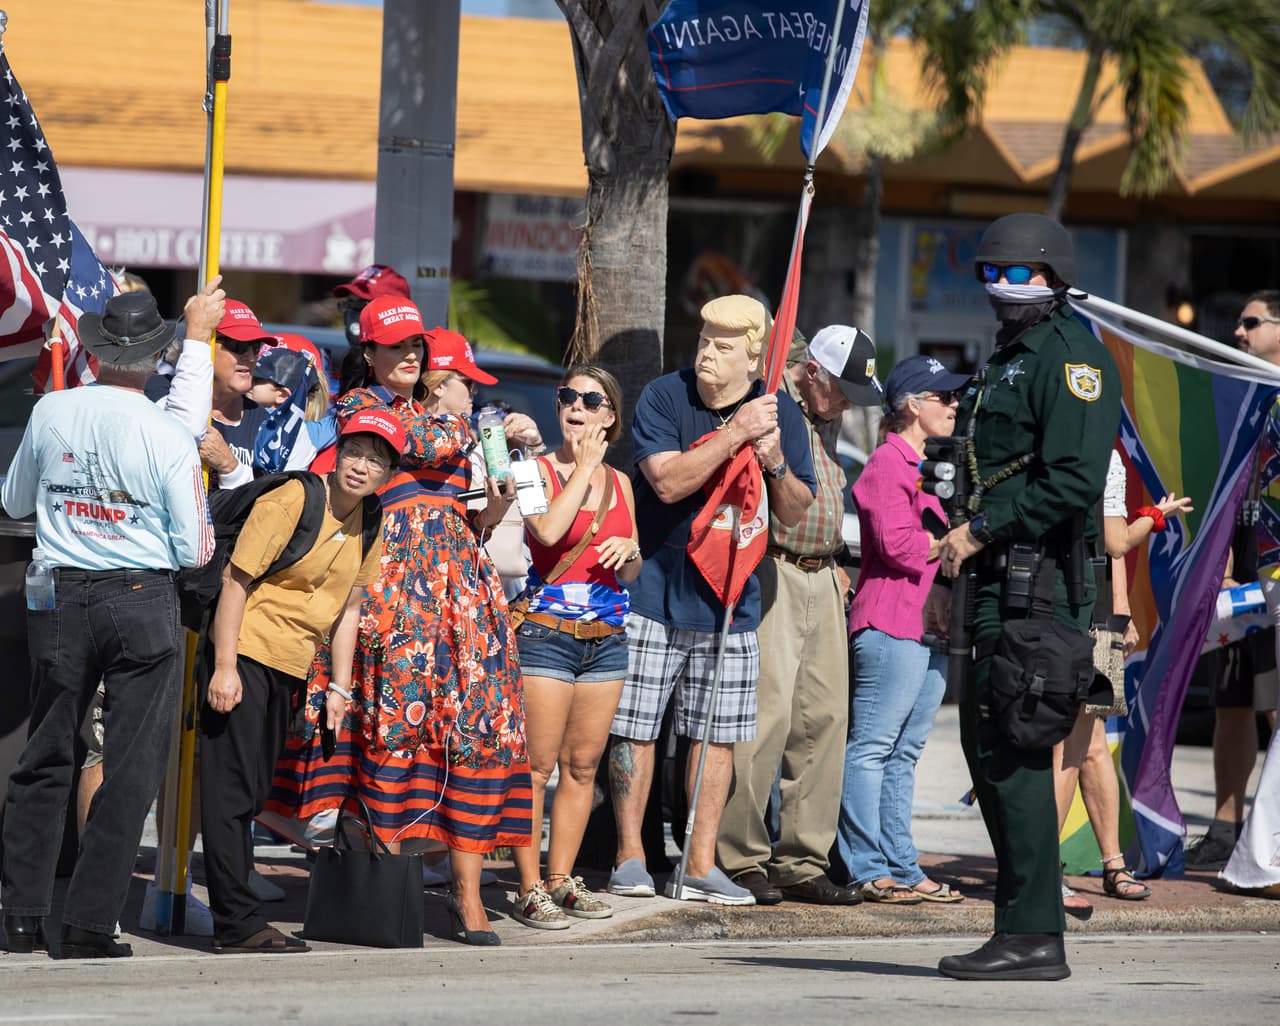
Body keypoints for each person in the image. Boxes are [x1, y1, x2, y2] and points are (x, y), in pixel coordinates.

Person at [264, 297, 531, 946]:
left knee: (475, 724)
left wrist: (499, 483)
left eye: (418, 345)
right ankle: (381, 884)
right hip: (391, 584)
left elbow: (473, 504)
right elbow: (407, 442)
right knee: (390, 727)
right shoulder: (361, 409)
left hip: (461, 582)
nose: (411, 355)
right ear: (371, 355)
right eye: (397, 346)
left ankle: (468, 897)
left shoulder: (444, 414)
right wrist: (472, 422)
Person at [0, 291, 214, 959]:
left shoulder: (54, 409)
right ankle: (91, 921)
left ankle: (21, 915)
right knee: (129, 767)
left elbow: (12, 498)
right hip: (140, 594)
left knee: (45, 758)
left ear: (94, 350)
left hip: (61, 591)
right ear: (155, 358)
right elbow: (193, 548)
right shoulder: (167, 433)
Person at [935, 213, 1120, 981]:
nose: (1000, 287)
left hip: (1040, 581)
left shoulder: (1074, 356)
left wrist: (977, 533)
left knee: (1015, 750)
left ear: (1053, 277)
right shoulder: (1009, 357)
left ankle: (1035, 934)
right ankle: (1021, 926)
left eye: (1016, 273)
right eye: (989, 273)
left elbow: (1073, 479)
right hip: (991, 581)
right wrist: (957, 571)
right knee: (988, 754)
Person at [606, 294, 816, 906]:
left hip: (731, 594)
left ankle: (698, 866)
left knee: (716, 735)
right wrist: (737, 434)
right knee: (636, 728)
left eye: (723, 347)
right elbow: (668, 480)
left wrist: (774, 457)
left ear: (754, 357)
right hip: (653, 588)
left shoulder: (780, 414)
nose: (706, 354)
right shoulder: (665, 396)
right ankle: (629, 857)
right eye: (703, 340)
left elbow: (797, 513)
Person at [198, 411, 395, 954]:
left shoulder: (370, 519)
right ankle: (236, 924)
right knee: (231, 794)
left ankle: (236, 916)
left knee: (257, 789)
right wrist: (224, 666)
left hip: (291, 663)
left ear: (388, 473)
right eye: (354, 451)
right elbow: (236, 582)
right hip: (245, 651)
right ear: (337, 454)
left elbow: (350, 607)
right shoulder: (292, 500)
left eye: (376, 459)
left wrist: (339, 686)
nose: (361, 466)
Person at [715, 326, 880, 907]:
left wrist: (836, 558)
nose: (845, 404)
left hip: (821, 571)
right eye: (840, 391)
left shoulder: (823, 415)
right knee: (765, 718)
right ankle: (740, 857)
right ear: (812, 372)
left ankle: (803, 859)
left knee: (825, 718)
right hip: (776, 567)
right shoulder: (771, 406)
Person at [836, 355, 975, 906]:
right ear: (912, 405)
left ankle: (901, 863)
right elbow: (896, 545)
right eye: (944, 397)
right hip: (891, 621)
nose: (955, 404)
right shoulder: (886, 464)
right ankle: (868, 866)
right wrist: (955, 543)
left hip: (924, 629)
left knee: (904, 752)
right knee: (871, 748)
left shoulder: (928, 467)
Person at [508, 366, 641, 930]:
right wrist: (583, 467)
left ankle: (561, 880)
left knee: (583, 767)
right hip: (545, 634)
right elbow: (546, 533)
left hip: (606, 636)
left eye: (591, 400)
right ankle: (528, 886)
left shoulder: (621, 482)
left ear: (609, 416)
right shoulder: (534, 470)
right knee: (536, 768)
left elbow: (630, 572)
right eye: (568, 397)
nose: (576, 407)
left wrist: (628, 547)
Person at [1053, 450, 1193, 917]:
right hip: (1061, 608)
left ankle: (1113, 863)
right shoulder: (1068, 443)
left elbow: (1109, 554)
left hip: (1095, 614)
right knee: (1069, 747)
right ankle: (1045, 872)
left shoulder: (1107, 456)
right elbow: (1116, 541)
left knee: (1092, 745)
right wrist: (1155, 516)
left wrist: (1119, 614)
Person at [1186, 290, 1280, 869]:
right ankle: (1227, 827)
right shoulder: (1239, 396)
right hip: (1240, 575)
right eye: (1238, 323)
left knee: (1275, 704)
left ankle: (1264, 841)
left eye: (1251, 322)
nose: (1238, 332)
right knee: (1232, 701)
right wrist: (1218, 564)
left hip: (1276, 572)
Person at [193, 301, 317, 489]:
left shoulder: (285, 433)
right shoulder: (167, 403)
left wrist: (230, 467)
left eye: (255, 346)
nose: (251, 357)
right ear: (203, 343)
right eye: (238, 345)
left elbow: (280, 506)